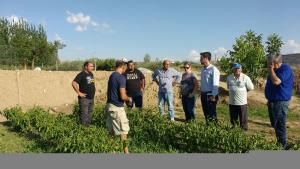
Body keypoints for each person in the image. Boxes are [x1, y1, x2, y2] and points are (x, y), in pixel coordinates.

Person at [265, 54, 294, 149]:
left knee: (279, 124)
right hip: (273, 101)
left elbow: (276, 81)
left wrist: (271, 69)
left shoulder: (285, 69)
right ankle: (280, 143)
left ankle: (283, 146)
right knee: (275, 124)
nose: (268, 65)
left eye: (269, 63)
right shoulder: (274, 70)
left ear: (275, 63)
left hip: (280, 102)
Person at [105, 60, 132, 154]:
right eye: (126, 67)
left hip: (109, 106)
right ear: (123, 67)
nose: (126, 68)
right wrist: (130, 99)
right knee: (123, 132)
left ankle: (111, 151)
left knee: (111, 132)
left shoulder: (112, 75)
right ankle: (126, 153)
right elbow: (123, 96)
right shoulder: (121, 78)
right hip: (117, 108)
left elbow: (108, 92)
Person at [226, 63, 254, 131]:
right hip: (232, 102)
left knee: (243, 118)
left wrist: (244, 94)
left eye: (238, 68)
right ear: (233, 69)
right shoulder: (229, 77)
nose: (237, 70)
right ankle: (234, 127)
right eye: (235, 68)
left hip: (242, 102)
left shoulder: (245, 77)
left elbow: (251, 88)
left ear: (241, 69)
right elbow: (228, 87)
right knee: (233, 117)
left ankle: (244, 129)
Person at [72, 61, 95, 126]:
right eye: (91, 66)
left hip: (91, 98)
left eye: (93, 66)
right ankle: (83, 128)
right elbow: (74, 83)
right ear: (86, 67)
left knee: (90, 113)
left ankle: (88, 127)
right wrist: (79, 92)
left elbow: (91, 84)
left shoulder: (91, 74)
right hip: (84, 99)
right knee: (84, 114)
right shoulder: (81, 74)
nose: (92, 67)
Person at [200, 52, 220, 123]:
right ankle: (208, 128)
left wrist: (213, 95)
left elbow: (216, 84)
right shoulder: (202, 69)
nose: (200, 59)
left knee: (212, 113)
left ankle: (214, 129)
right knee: (206, 112)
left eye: (201, 58)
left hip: (210, 94)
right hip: (203, 94)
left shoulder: (213, 69)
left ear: (206, 58)